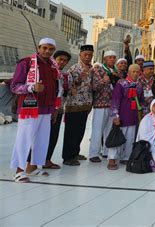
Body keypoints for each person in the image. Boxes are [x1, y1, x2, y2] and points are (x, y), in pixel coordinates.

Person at [10, 38, 61, 183]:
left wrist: (55, 108)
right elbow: (15, 86)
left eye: (51, 49)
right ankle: (19, 170)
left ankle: (32, 166)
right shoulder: (26, 62)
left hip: (46, 108)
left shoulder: (53, 65)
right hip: (29, 107)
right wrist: (31, 87)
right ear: (39, 47)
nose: (47, 51)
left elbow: (57, 87)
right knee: (24, 138)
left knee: (42, 139)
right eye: (44, 48)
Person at [107, 64, 145, 170]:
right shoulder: (121, 83)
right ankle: (112, 158)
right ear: (128, 72)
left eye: (138, 72)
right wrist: (115, 115)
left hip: (133, 117)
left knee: (130, 139)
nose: (136, 74)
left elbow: (141, 101)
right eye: (133, 71)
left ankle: (126, 157)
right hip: (122, 116)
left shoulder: (139, 86)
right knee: (117, 137)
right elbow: (115, 99)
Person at [62, 44, 94, 166]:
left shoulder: (92, 69)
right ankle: (67, 156)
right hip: (74, 105)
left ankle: (75, 152)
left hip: (85, 104)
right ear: (80, 55)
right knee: (71, 131)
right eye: (85, 55)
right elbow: (68, 87)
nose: (87, 57)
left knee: (80, 130)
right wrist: (80, 78)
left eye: (90, 55)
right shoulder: (73, 69)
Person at [42, 50, 71, 169]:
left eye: (65, 61)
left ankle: (47, 159)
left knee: (53, 135)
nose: (62, 62)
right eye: (60, 59)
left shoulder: (64, 75)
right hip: (46, 109)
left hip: (58, 109)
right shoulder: (49, 71)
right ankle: (32, 161)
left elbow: (64, 92)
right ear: (55, 59)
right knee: (41, 135)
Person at [89, 50, 118, 163]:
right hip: (100, 104)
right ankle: (94, 153)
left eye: (113, 57)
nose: (112, 59)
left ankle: (107, 152)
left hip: (112, 105)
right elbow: (94, 87)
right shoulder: (98, 70)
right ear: (105, 59)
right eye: (110, 57)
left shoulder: (116, 71)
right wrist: (103, 81)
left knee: (109, 130)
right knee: (98, 129)